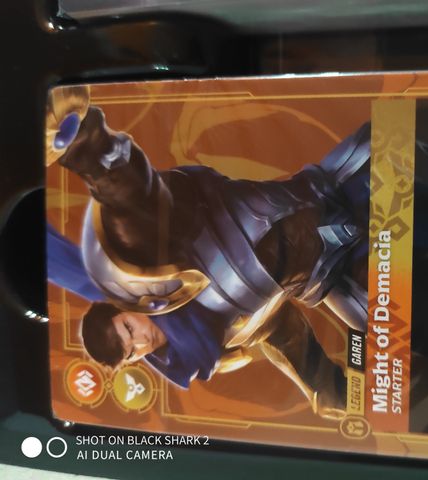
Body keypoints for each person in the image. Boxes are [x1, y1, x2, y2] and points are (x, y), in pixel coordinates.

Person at [47, 89, 371, 420]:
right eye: (132, 353)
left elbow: (132, 200)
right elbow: (282, 331)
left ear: (125, 305)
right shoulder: (211, 342)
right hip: (345, 273)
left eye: (130, 330)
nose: (142, 344)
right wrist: (334, 393)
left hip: (344, 186)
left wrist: (85, 145)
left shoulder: (162, 261)